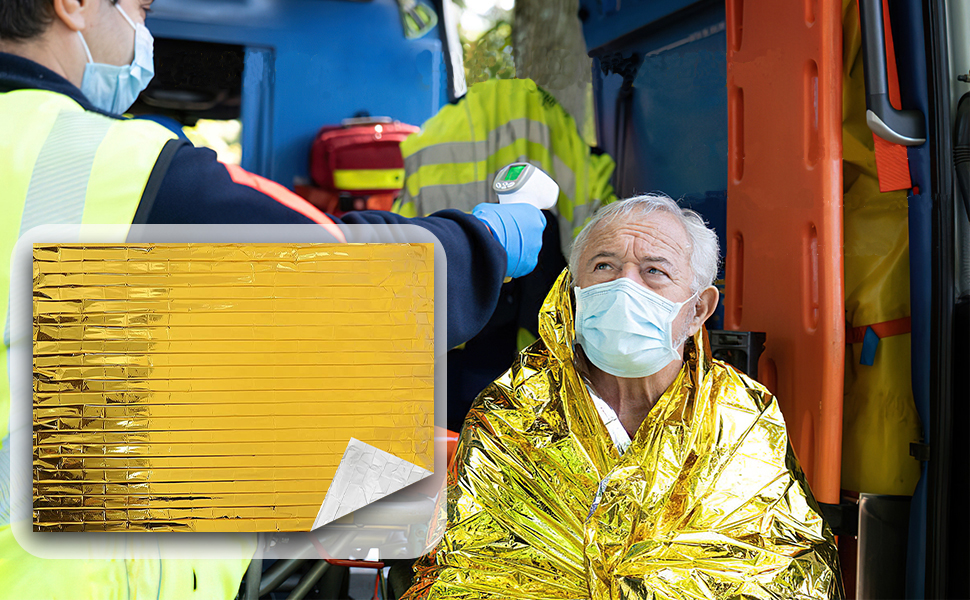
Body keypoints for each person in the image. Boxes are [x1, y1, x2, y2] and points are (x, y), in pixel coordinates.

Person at [0, 0, 545, 597]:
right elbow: (356, 277)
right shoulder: (106, 164)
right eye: (139, 7)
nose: (143, 29)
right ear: (74, 6)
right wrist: (487, 239)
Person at [402, 194, 844, 600]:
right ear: (572, 293)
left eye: (654, 271)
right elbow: (465, 574)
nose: (623, 288)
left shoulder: (739, 416)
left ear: (697, 310)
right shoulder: (513, 410)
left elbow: (781, 575)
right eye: (603, 267)